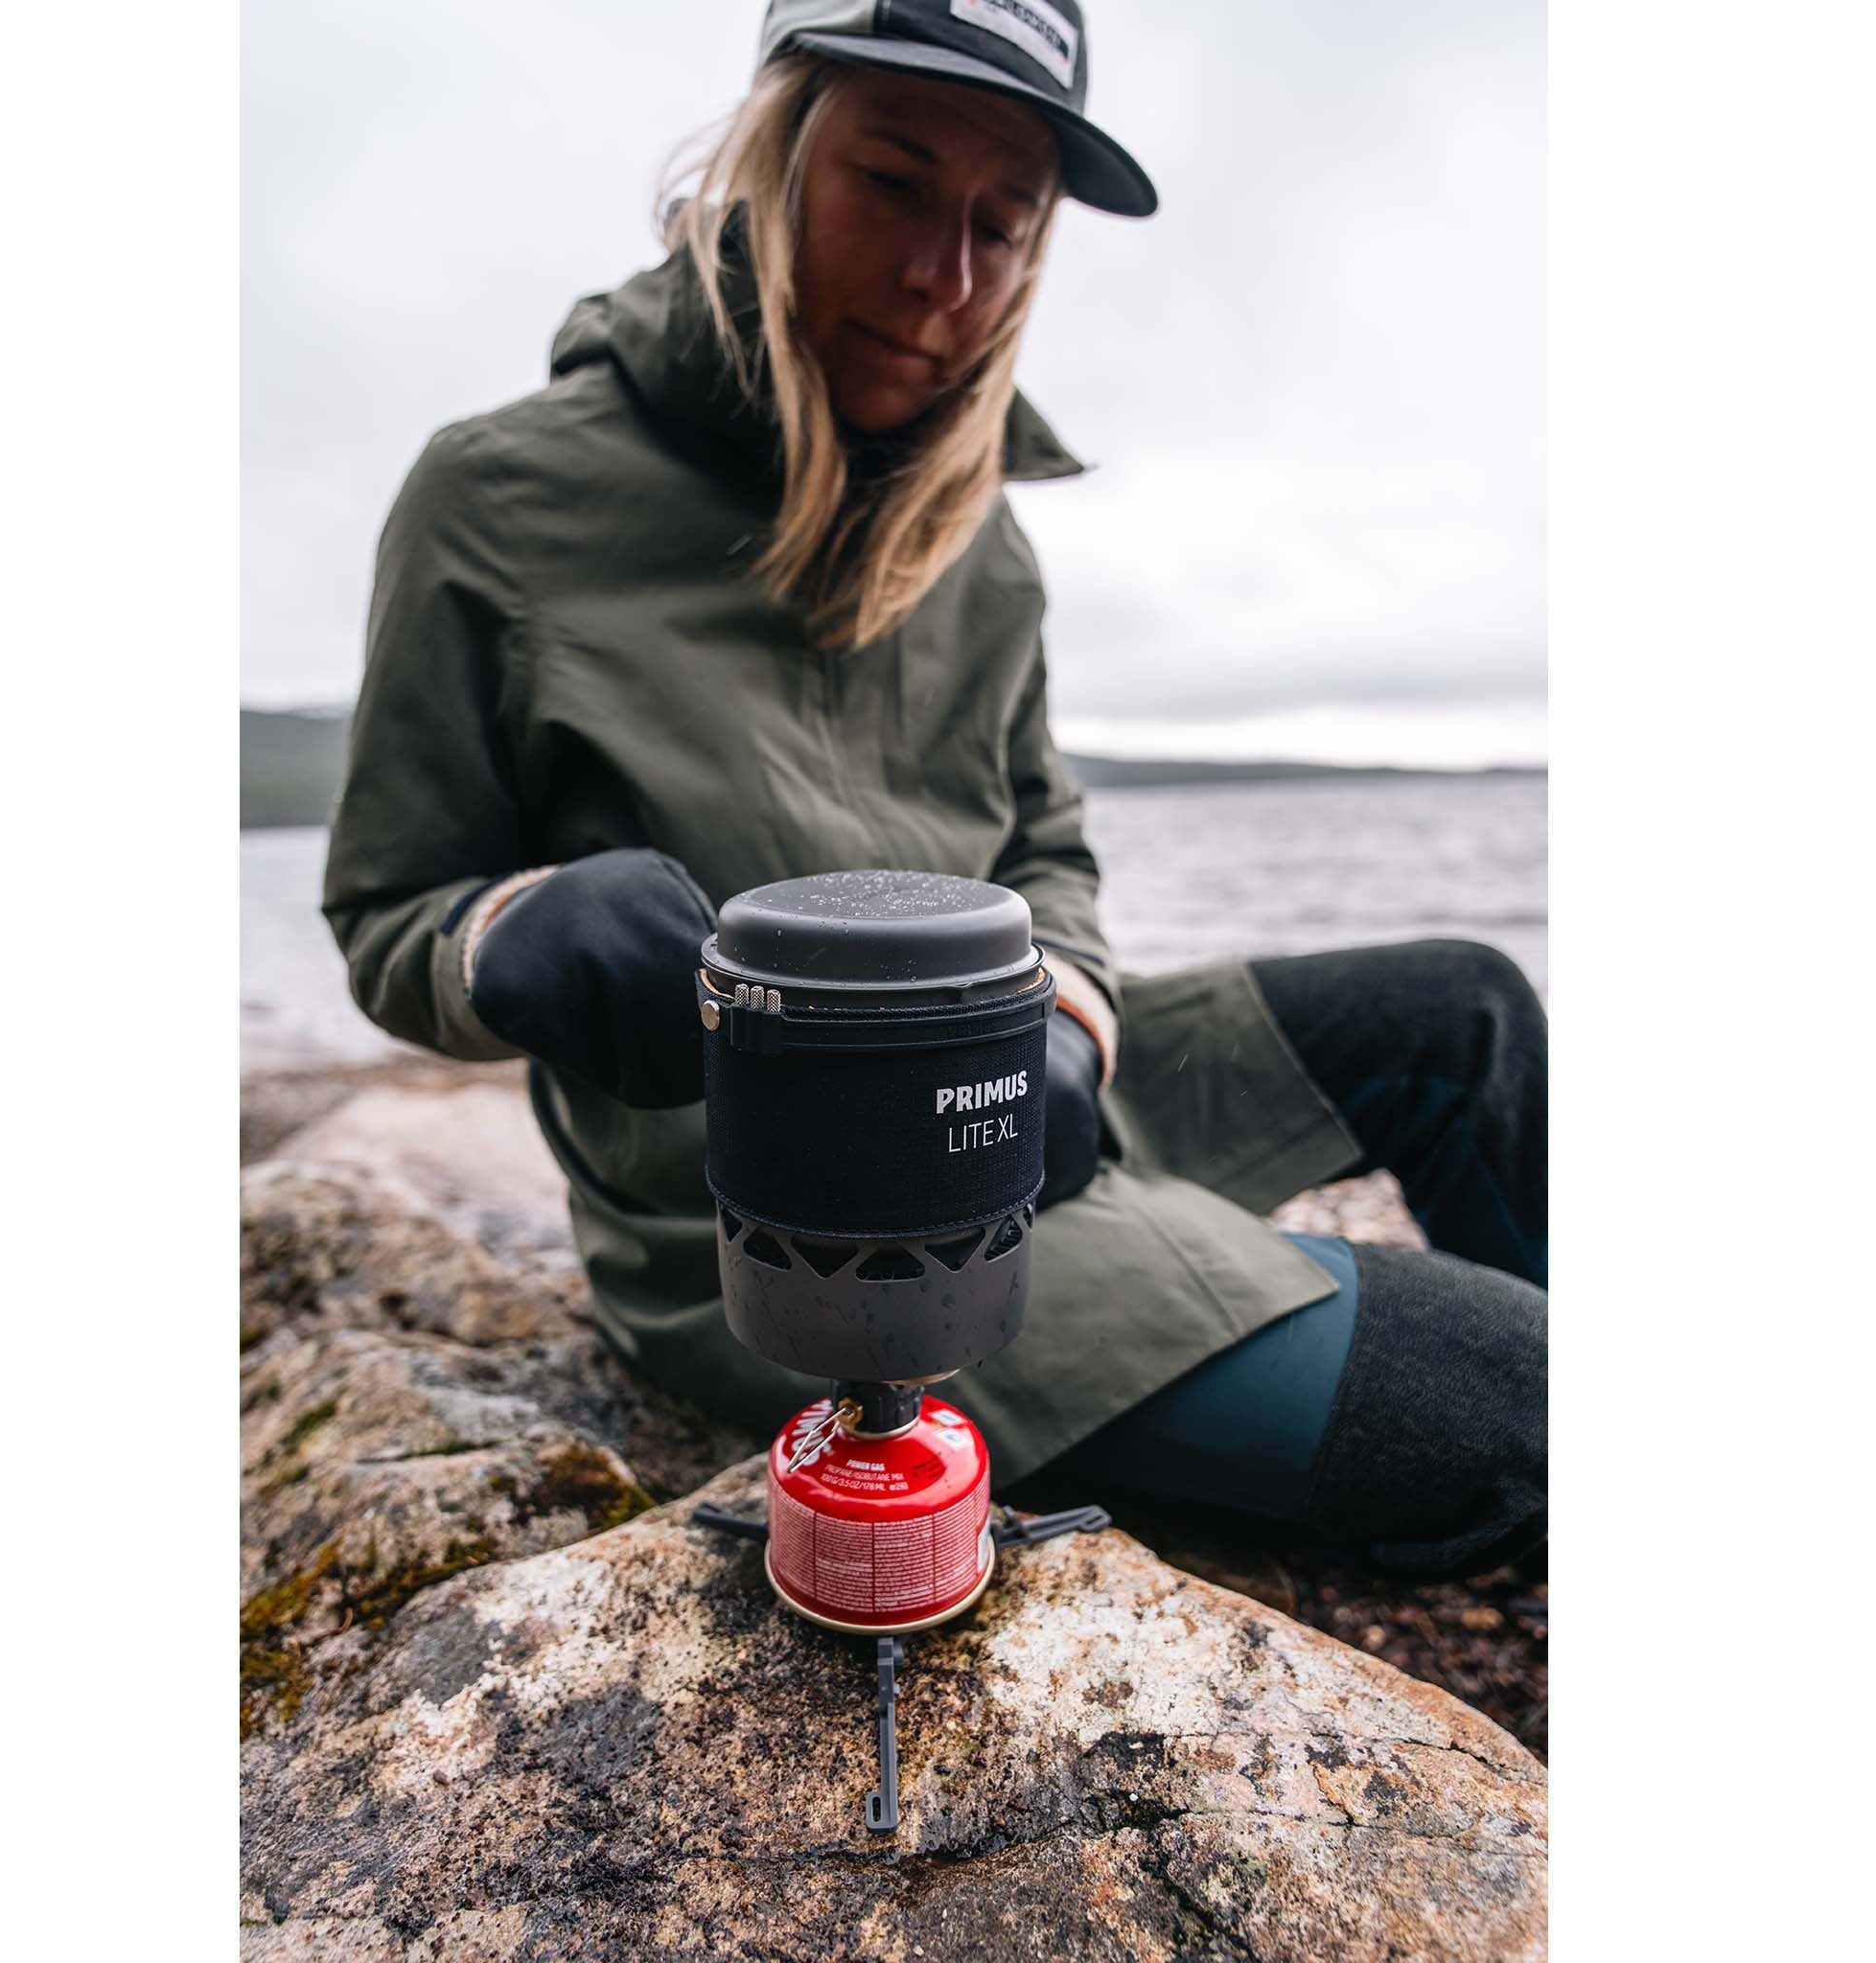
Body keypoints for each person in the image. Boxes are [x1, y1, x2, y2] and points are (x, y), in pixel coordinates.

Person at [323, 0, 1546, 1579]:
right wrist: (516, 929)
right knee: (1516, 1396)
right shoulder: (495, 497)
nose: (945, 278)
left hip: (1018, 1095)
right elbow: (389, 911)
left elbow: (1046, 844)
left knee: (1469, 1013)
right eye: (894, 183)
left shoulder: (986, 541)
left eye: (1003, 225)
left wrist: (1072, 1019)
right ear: (772, 156)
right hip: (783, 1220)